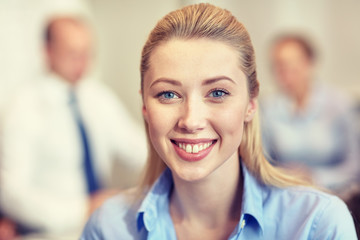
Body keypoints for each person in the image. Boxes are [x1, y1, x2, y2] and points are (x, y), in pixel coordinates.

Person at [81, 4, 357, 239]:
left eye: (217, 93)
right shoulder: (109, 227)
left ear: (250, 103)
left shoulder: (317, 222)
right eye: (168, 94)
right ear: (144, 105)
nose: (191, 120)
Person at [0, 16, 147, 237]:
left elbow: (139, 149)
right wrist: (82, 208)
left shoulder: (97, 97)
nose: (82, 62)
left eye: (87, 53)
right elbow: (11, 193)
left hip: (99, 225)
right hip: (47, 231)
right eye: (72, 53)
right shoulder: (23, 107)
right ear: (47, 51)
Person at [260, 34, 359, 194]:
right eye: (278, 65)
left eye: (292, 64)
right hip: (286, 191)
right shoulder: (267, 108)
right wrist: (286, 177)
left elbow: (354, 167)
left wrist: (314, 177)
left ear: (310, 62)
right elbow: (262, 162)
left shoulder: (340, 103)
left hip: (336, 192)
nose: (285, 72)